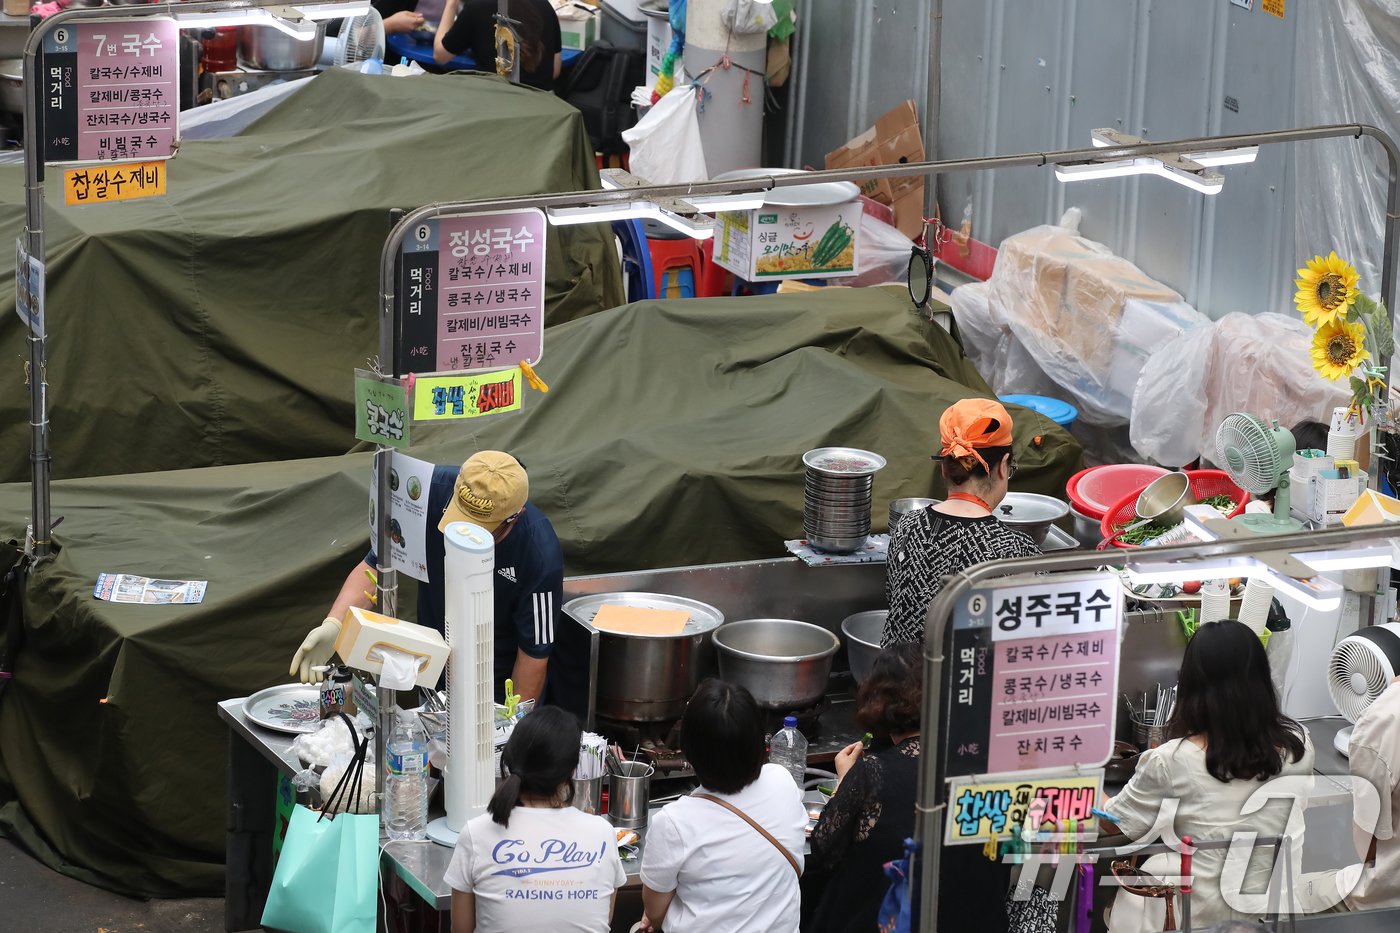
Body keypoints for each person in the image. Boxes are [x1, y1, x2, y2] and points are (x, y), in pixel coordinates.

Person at [290, 451, 564, 707]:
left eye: (479, 530)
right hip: (433, 672)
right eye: (459, 519)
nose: (462, 534)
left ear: (514, 517)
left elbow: (533, 655)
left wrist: (511, 723)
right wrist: (335, 624)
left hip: (493, 688)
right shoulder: (426, 494)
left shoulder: (538, 553)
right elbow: (377, 564)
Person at [1099, 620, 1314, 932]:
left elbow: (1113, 822)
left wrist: (1086, 783)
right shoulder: (1299, 746)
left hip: (1202, 920)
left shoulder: (1172, 760)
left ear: (1191, 685)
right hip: (1276, 916)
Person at [639, 679, 808, 933]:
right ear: (760, 743)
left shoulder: (674, 822)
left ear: (688, 750)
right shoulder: (782, 781)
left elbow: (654, 912)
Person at [445, 705, 625, 932]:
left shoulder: (476, 833)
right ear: (571, 771)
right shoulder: (602, 833)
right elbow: (603, 919)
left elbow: (460, 929)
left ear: (510, 758)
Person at [882, 397, 1040, 646]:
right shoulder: (1017, 550)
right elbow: (1030, 632)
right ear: (1003, 467)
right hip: (967, 670)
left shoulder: (907, 526)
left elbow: (894, 598)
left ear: (945, 468)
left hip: (897, 669)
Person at [803, 644, 923, 933]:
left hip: (877, 917)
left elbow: (822, 851)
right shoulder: (969, 761)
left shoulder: (872, 772)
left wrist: (846, 782)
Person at [434, 0, 563, 90]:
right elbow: (555, 70)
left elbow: (440, 56)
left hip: (497, 105)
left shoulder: (476, 7)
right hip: (543, 109)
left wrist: (451, 5)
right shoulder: (546, 6)